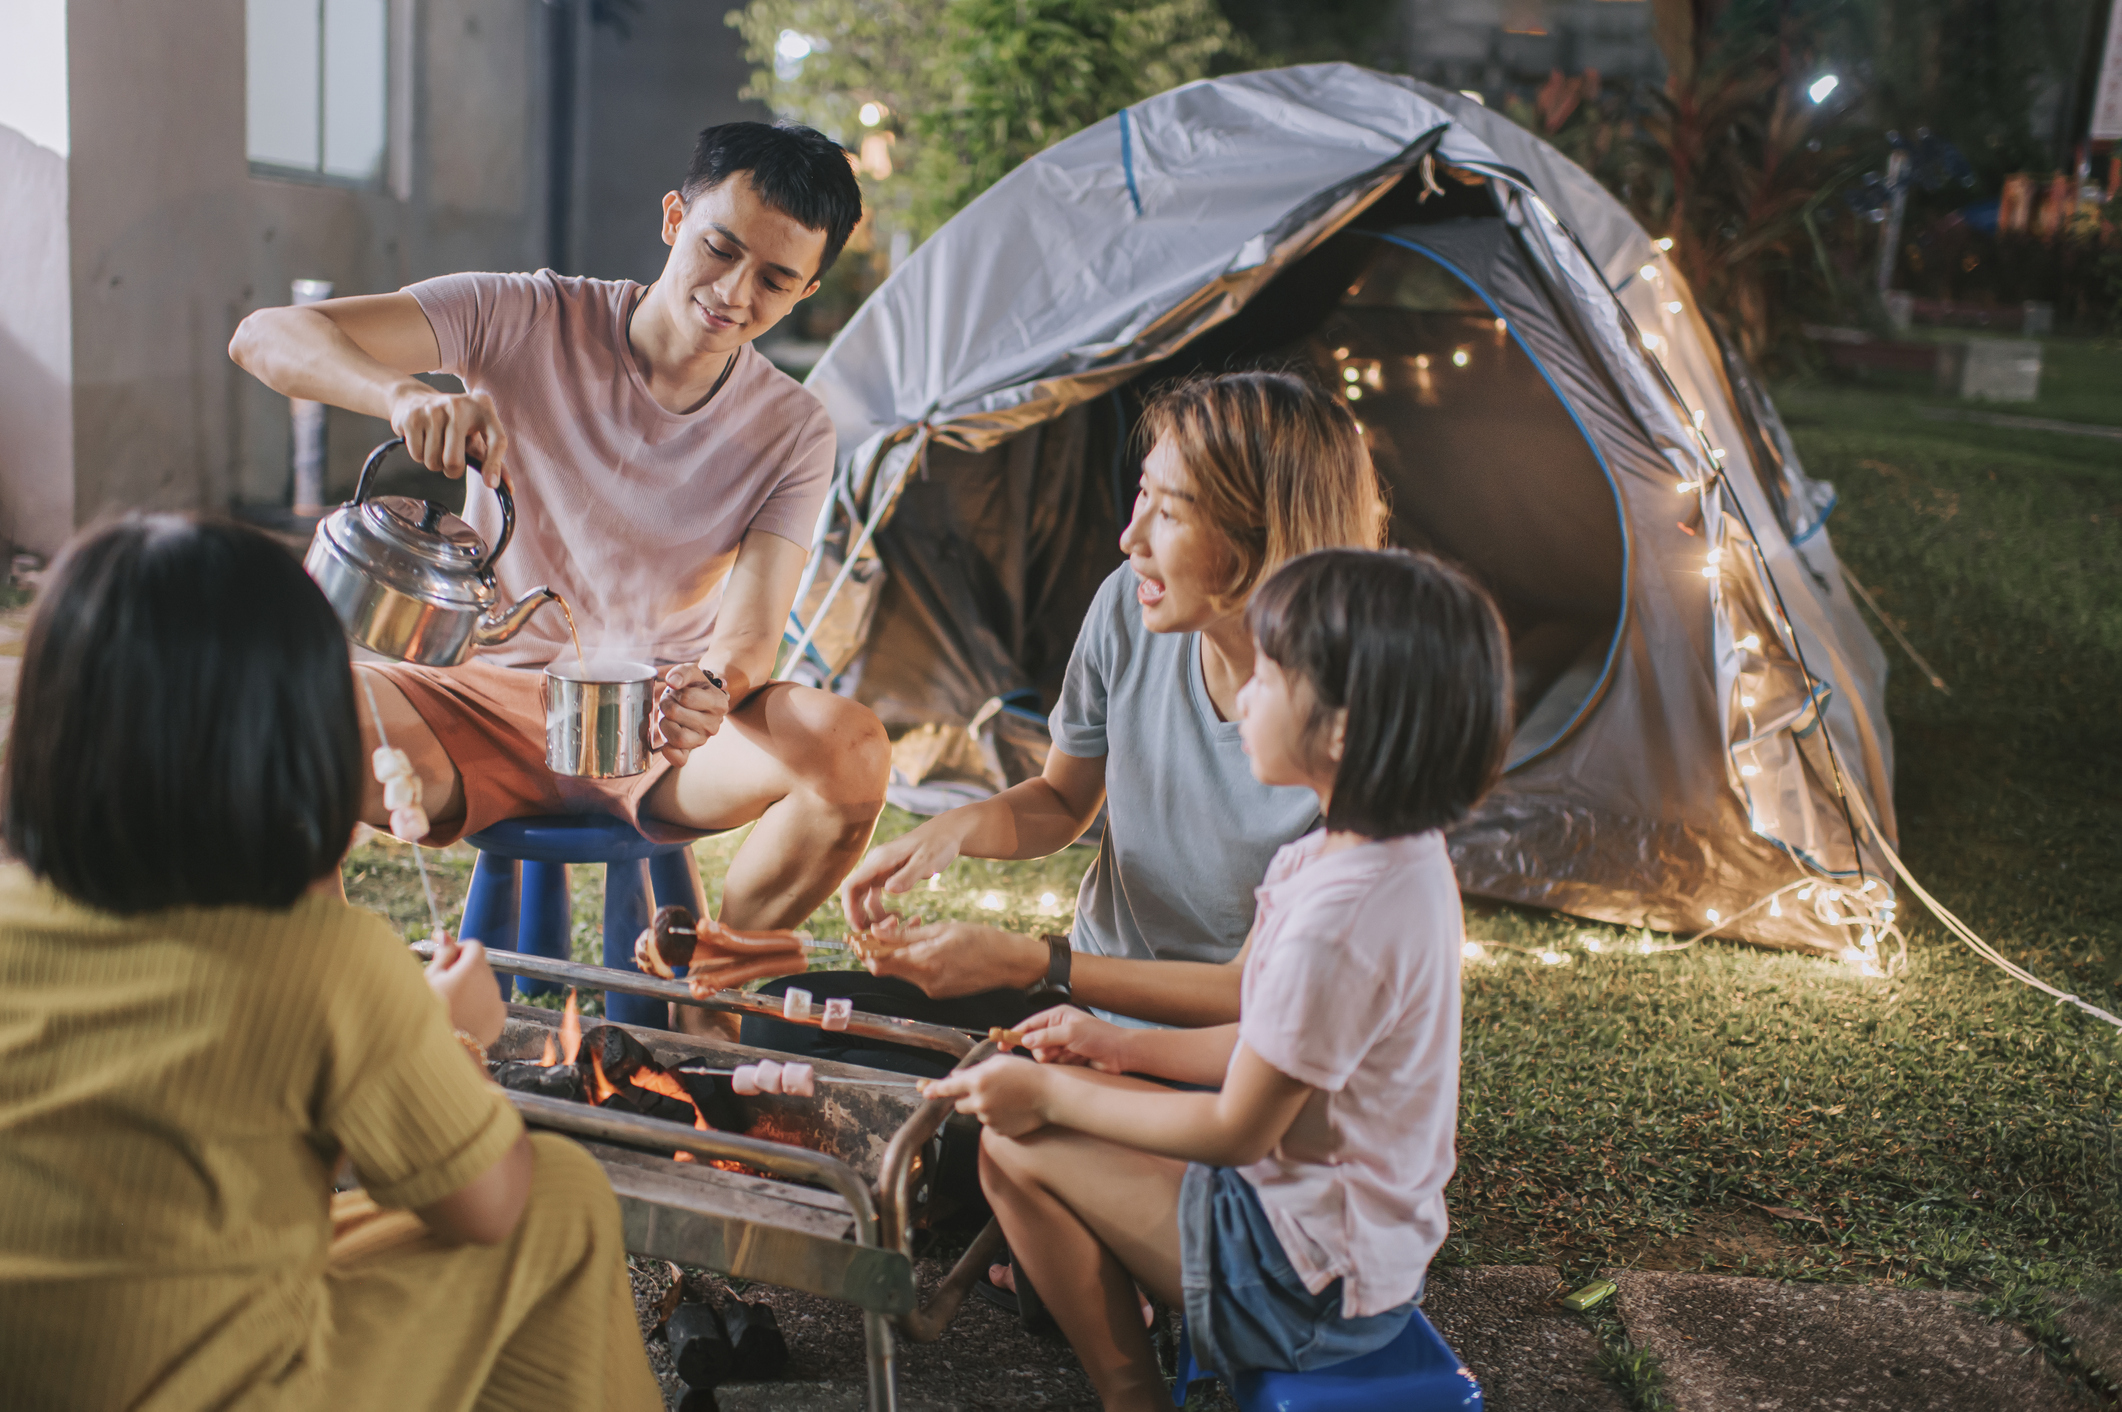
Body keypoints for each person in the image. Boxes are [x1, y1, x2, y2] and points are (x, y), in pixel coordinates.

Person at [229, 121, 890, 1036]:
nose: (735, 294)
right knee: (277, 711)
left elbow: (749, 631)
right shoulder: (522, 317)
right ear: (674, 217)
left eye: (775, 280)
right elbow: (266, 336)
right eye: (720, 248)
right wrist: (404, 393)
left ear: (808, 289)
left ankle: (704, 986)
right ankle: (345, 1024)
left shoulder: (793, 426)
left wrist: (714, 689)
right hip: (469, 697)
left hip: (655, 730)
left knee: (850, 748)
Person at [0, 516, 661, 1411]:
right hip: (205, 1384)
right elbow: (487, 1207)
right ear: (292, 740)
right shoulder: (322, 964)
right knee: (565, 1202)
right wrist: (450, 1037)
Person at [924, 548, 1513, 1411]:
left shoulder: (1340, 915)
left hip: (1304, 1281)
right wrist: (1114, 1045)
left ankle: (1133, 1398)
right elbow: (1270, 1043)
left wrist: (1046, 1098)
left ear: (1343, 731)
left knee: (1014, 1147)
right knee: (1060, 1093)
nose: (1246, 694)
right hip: (1337, 1241)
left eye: (1270, 676)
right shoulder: (1379, 854)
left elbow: (1239, 1126)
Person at [747, 371, 1388, 1069]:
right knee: (786, 1026)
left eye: (1168, 514)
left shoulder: (1349, 730)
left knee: (999, 1125)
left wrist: (1035, 963)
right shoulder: (1130, 607)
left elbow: (1259, 997)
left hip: (1220, 1058)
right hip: (1080, 1004)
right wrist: (951, 831)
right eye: (1142, 492)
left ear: (1265, 535)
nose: (1128, 538)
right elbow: (1061, 800)